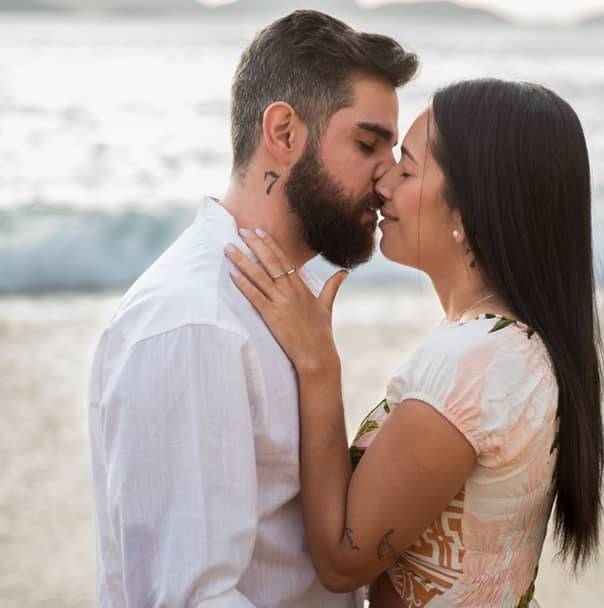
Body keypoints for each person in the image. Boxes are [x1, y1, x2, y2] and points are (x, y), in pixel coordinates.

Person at [225, 78, 604, 608]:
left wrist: (317, 363)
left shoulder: (476, 361)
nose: (382, 184)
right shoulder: (513, 344)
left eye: (406, 169)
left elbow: (343, 560)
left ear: (469, 209)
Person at [87, 11, 418, 606]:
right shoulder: (192, 322)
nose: (388, 175)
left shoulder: (283, 308)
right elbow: (193, 596)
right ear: (285, 133)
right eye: (367, 144)